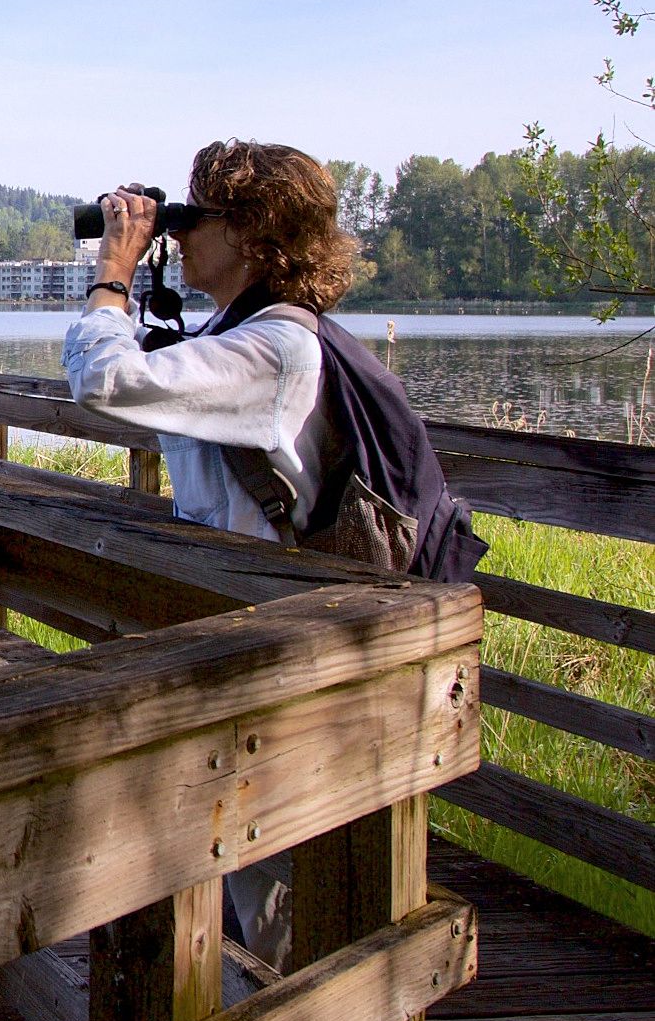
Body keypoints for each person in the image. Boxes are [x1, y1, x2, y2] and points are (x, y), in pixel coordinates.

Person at [64, 138, 482, 971]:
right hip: (248, 645)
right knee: (246, 875)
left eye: (195, 217)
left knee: (276, 890)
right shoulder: (242, 333)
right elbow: (150, 399)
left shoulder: (278, 349)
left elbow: (102, 384)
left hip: (286, 656)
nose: (175, 236)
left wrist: (112, 269)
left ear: (256, 233)